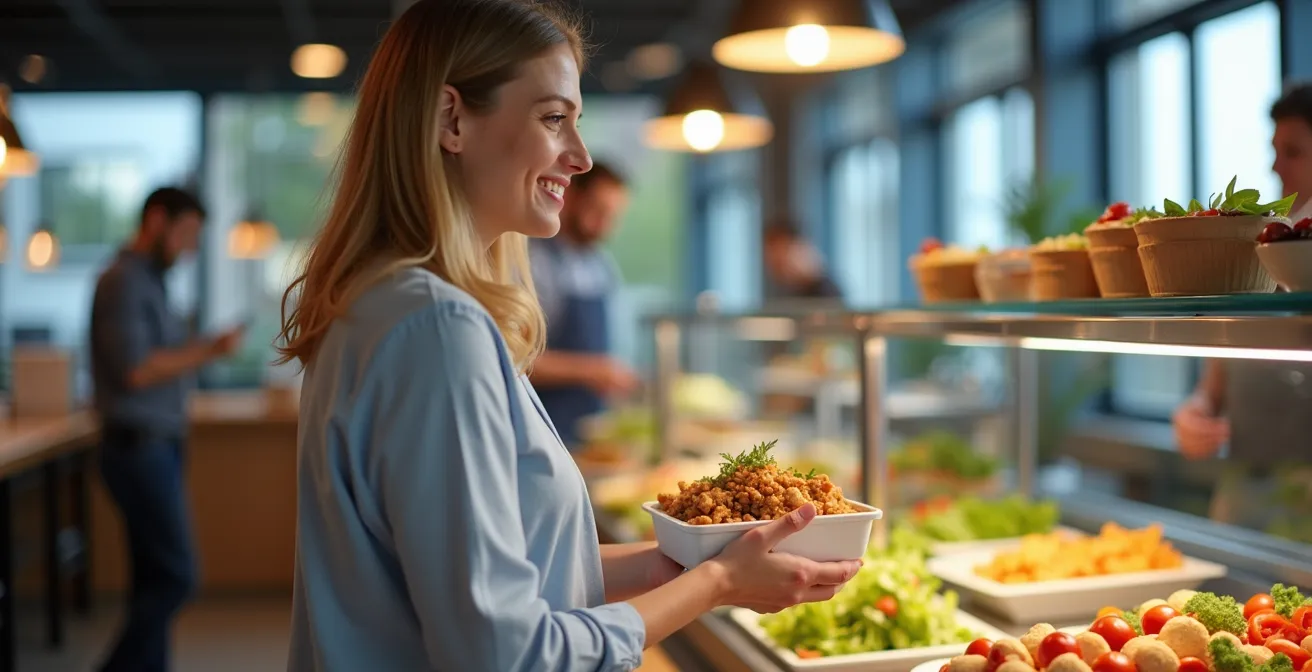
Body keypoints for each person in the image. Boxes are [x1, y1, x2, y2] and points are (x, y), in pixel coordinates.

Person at [275, 2, 862, 670]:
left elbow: (513, 581)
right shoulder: (438, 327)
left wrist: (707, 558)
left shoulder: (377, 302)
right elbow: (506, 653)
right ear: (451, 119)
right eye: (554, 119)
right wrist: (718, 584)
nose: (580, 158)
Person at [89, 186, 245, 672]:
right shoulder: (124, 282)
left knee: (152, 579)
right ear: (156, 221)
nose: (189, 247)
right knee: (178, 576)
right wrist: (208, 351)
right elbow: (136, 369)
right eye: (186, 234)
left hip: (158, 446)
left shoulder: (151, 282)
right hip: (138, 449)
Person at [1172, 82, 1312, 527]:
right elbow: (1214, 384)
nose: (1275, 165)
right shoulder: (1265, 243)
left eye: (1292, 151)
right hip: (1240, 495)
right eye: (1274, 149)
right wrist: (1195, 412)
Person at [528, 160, 638, 447]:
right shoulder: (533, 261)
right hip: (542, 430)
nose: (604, 226)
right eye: (598, 211)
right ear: (571, 196)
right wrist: (591, 370)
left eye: (613, 216)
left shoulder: (601, 264)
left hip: (591, 433)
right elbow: (517, 360)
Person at [763, 220, 844, 302]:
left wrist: (812, 276)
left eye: (779, 247)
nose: (773, 256)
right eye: (770, 248)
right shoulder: (778, 285)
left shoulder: (818, 281)